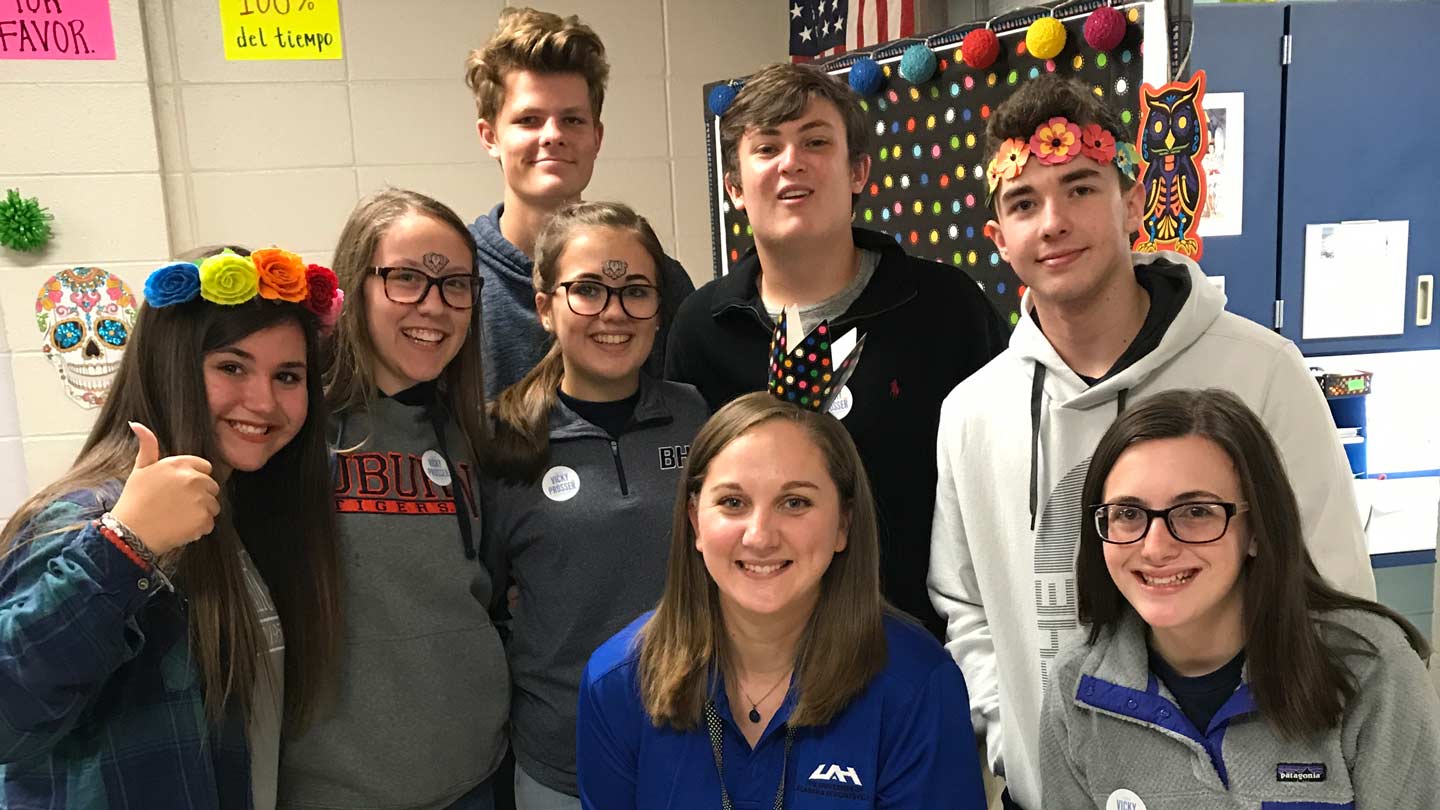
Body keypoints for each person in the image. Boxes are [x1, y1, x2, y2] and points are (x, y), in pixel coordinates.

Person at [927, 75, 1377, 810]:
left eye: (1079, 188)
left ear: (1132, 202)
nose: (1053, 222)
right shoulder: (973, 413)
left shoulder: (1260, 371)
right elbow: (966, 603)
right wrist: (1017, 740)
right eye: (1023, 203)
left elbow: (1333, 591)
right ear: (999, 238)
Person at [665, 62, 1008, 639]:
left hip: (923, 649)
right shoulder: (703, 327)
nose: (791, 162)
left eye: (815, 142)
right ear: (734, 187)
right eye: (767, 147)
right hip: (754, 651)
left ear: (858, 171)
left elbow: (1001, 475)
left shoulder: (944, 306)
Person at [0, 248, 344, 809]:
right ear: (171, 367)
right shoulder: (86, 516)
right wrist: (123, 547)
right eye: (231, 367)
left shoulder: (236, 514)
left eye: (288, 376)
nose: (264, 401)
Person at [575, 391, 988, 809]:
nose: (760, 536)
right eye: (733, 503)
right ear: (694, 521)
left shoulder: (919, 685)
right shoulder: (616, 683)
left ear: (844, 523)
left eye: (795, 502)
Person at [1042, 388, 1439, 809]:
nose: (1155, 548)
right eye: (1128, 514)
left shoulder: (1369, 670)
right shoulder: (1078, 690)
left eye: (1196, 512)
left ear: (1255, 531)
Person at [277, 190, 507, 810]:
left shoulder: (469, 433)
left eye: (455, 283)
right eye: (406, 278)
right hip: (333, 788)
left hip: (473, 775)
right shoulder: (290, 428)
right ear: (356, 285)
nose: (434, 305)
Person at [482, 201, 708, 809]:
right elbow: (482, 603)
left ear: (660, 310)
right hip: (561, 762)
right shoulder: (501, 442)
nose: (613, 312)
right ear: (544, 307)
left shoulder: (700, 420)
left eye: (635, 291)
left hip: (699, 743)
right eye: (586, 290)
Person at [465, 6, 695, 396]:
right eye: (529, 120)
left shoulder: (658, 278)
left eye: (572, 120)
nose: (553, 135)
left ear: (597, 137)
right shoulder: (457, 281)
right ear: (490, 136)